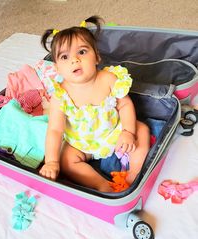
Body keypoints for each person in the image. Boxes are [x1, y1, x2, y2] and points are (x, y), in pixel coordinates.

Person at [39, 16, 150, 192]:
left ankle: (133, 173)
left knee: (141, 129)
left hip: (114, 133)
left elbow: (125, 105)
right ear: (57, 68)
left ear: (97, 57)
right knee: (66, 161)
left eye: (81, 52)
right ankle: (101, 184)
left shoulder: (108, 79)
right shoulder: (60, 95)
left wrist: (128, 132)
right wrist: (51, 161)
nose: (75, 60)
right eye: (65, 57)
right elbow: (55, 130)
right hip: (82, 144)